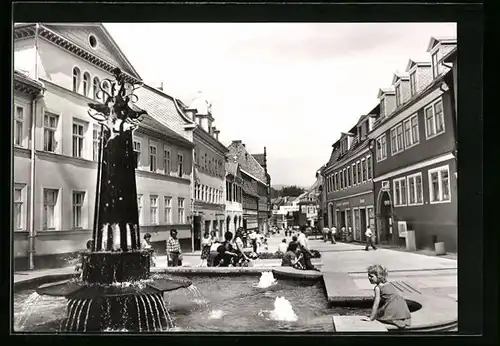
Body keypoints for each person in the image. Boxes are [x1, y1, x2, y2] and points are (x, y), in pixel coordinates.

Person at [361, 264, 411, 329]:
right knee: (381, 311)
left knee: (381, 317)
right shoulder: (389, 284)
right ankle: (400, 318)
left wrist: (371, 318)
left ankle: (395, 321)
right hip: (403, 306)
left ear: (379, 276)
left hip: (392, 307)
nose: (369, 278)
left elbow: (376, 304)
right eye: (368, 276)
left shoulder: (378, 288)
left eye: (371, 276)